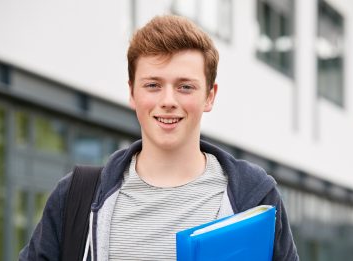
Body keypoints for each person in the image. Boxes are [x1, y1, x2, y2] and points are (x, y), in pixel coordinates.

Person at [19, 15, 299, 260]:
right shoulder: (76, 196)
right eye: (153, 85)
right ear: (132, 93)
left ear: (210, 96)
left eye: (185, 87)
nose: (168, 100)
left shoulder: (254, 197)